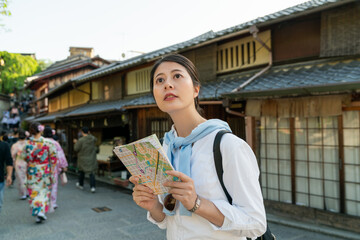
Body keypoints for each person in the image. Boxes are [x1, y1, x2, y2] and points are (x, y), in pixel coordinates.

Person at [129, 54, 266, 239]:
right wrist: (153, 205)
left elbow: (256, 224)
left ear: (195, 89)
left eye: (177, 76)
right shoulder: (164, 149)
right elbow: (171, 220)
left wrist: (196, 203)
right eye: (159, 80)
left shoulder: (228, 146)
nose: (167, 84)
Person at [22, 122, 57, 223]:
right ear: (41, 130)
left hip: (32, 171)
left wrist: (32, 161)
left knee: (33, 191)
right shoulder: (48, 143)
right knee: (44, 190)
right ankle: (41, 211)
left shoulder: (27, 143)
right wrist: (52, 170)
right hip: (45, 170)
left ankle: (37, 212)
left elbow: (24, 157)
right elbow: (54, 158)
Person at [43, 125, 68, 210]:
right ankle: (53, 203)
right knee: (53, 184)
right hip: (53, 166)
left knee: (43, 184)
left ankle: (44, 201)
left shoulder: (40, 142)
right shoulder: (55, 143)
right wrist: (63, 166)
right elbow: (60, 156)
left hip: (42, 166)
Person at [74, 126, 98, 193]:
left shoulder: (81, 140)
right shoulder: (93, 138)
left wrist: (76, 142)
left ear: (82, 132)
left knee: (82, 172)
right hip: (91, 158)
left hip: (83, 159)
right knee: (91, 173)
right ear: (88, 132)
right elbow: (95, 140)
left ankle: (81, 185)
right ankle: (93, 187)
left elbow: (76, 149)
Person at [10, 129, 28, 200]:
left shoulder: (15, 145)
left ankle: (23, 194)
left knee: (21, 179)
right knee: (28, 178)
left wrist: (13, 162)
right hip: (28, 162)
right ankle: (28, 192)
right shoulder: (29, 144)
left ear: (18, 136)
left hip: (19, 162)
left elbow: (12, 156)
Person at [0, 137, 13, 214]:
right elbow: (9, 162)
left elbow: (9, 161)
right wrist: (9, 176)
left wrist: (9, 175)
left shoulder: (4, 146)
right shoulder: (4, 145)